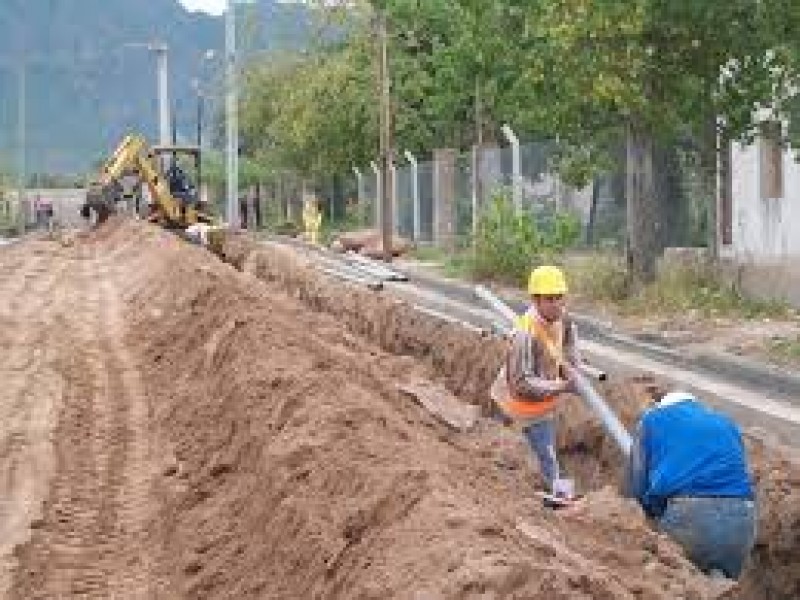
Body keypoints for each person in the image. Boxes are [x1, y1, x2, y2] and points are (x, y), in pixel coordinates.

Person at [624, 388, 757, 579]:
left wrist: (642, 513)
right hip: (743, 518)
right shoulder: (726, 423)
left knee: (673, 583)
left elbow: (637, 480)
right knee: (723, 588)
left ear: (664, 406)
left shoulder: (652, 419)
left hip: (689, 516)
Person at [492, 265, 581, 493]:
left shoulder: (564, 319)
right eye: (550, 299)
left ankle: (555, 499)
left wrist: (571, 366)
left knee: (547, 456)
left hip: (542, 405)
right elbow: (521, 383)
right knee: (508, 458)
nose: (557, 304)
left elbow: (569, 343)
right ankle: (550, 500)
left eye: (560, 298)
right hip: (514, 405)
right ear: (536, 300)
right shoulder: (525, 333)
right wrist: (561, 386)